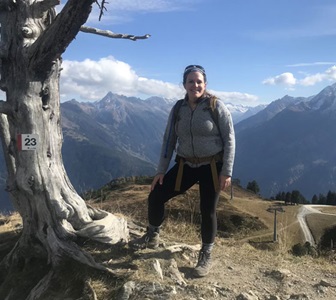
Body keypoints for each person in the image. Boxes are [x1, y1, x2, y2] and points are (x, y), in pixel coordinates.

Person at [129, 65, 235, 277]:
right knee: (156, 195)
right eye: (191, 81)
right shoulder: (179, 109)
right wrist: (161, 170)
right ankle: (153, 235)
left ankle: (205, 254)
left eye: (199, 82)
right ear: (184, 84)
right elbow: (169, 140)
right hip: (185, 165)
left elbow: (230, 138)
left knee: (208, 211)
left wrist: (227, 171)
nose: (195, 85)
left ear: (205, 84)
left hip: (212, 167)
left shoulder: (215, 106)